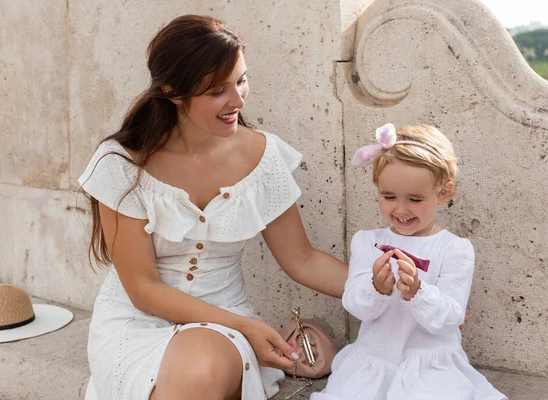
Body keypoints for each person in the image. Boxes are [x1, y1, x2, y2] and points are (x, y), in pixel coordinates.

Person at [78, 15, 348, 400]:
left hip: (221, 331)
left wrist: (388, 292)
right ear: (172, 90)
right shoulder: (122, 164)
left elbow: (302, 259)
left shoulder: (263, 157)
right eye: (217, 91)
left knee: (203, 365)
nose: (238, 100)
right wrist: (247, 327)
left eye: (241, 80)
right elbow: (143, 288)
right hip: (136, 323)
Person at [311, 123, 506, 400]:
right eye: (389, 197)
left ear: (443, 193)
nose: (400, 209)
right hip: (373, 360)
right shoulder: (366, 242)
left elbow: (452, 317)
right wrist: (376, 287)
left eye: (415, 199)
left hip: (430, 367)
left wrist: (418, 292)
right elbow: (355, 305)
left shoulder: (455, 249)